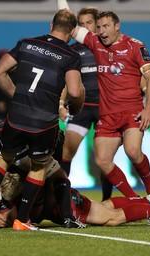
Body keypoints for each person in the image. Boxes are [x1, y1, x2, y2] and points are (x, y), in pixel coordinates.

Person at [0, 9, 85, 231]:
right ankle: (23, 220)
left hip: (17, 117)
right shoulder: (71, 56)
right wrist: (76, 105)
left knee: (2, 158)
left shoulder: (26, 43)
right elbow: (74, 92)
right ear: (73, 31)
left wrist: (17, 97)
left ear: (51, 25)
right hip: (44, 123)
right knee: (38, 168)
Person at [57, 1, 150, 211]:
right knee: (102, 160)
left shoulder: (135, 45)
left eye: (106, 26)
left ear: (117, 26)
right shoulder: (94, 43)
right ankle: (137, 201)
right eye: (100, 27)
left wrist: (148, 108)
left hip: (131, 110)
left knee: (133, 151)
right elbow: (68, 23)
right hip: (107, 115)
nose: (102, 31)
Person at [0, 168, 150, 228]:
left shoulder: (13, 203)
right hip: (65, 201)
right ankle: (145, 201)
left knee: (113, 218)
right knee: (105, 206)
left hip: (68, 207)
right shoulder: (15, 181)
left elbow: (1, 219)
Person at [59, 6, 113, 201]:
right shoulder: (71, 51)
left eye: (88, 23)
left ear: (97, 25)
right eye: (80, 24)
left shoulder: (107, 47)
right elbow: (66, 81)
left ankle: (107, 200)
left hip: (105, 109)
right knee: (66, 151)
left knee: (104, 159)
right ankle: (63, 197)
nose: (84, 27)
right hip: (80, 108)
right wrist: (60, 103)